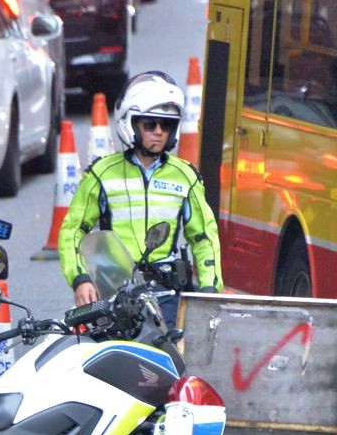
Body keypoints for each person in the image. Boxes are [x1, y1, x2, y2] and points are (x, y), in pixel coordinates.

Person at [57, 71, 222, 322]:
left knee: (176, 358)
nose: (158, 131)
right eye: (150, 124)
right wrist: (80, 279)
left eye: (165, 125)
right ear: (130, 123)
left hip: (168, 296)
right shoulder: (101, 175)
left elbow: (204, 238)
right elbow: (72, 231)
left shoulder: (186, 176)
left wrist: (209, 290)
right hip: (114, 295)